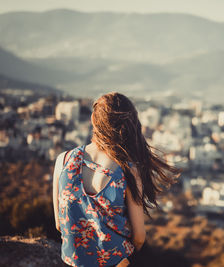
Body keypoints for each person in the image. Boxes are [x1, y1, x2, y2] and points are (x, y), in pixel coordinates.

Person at [52, 92, 180, 267]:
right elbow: (139, 238)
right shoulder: (127, 171)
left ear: (92, 119)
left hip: (71, 262)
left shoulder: (63, 160)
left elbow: (59, 224)